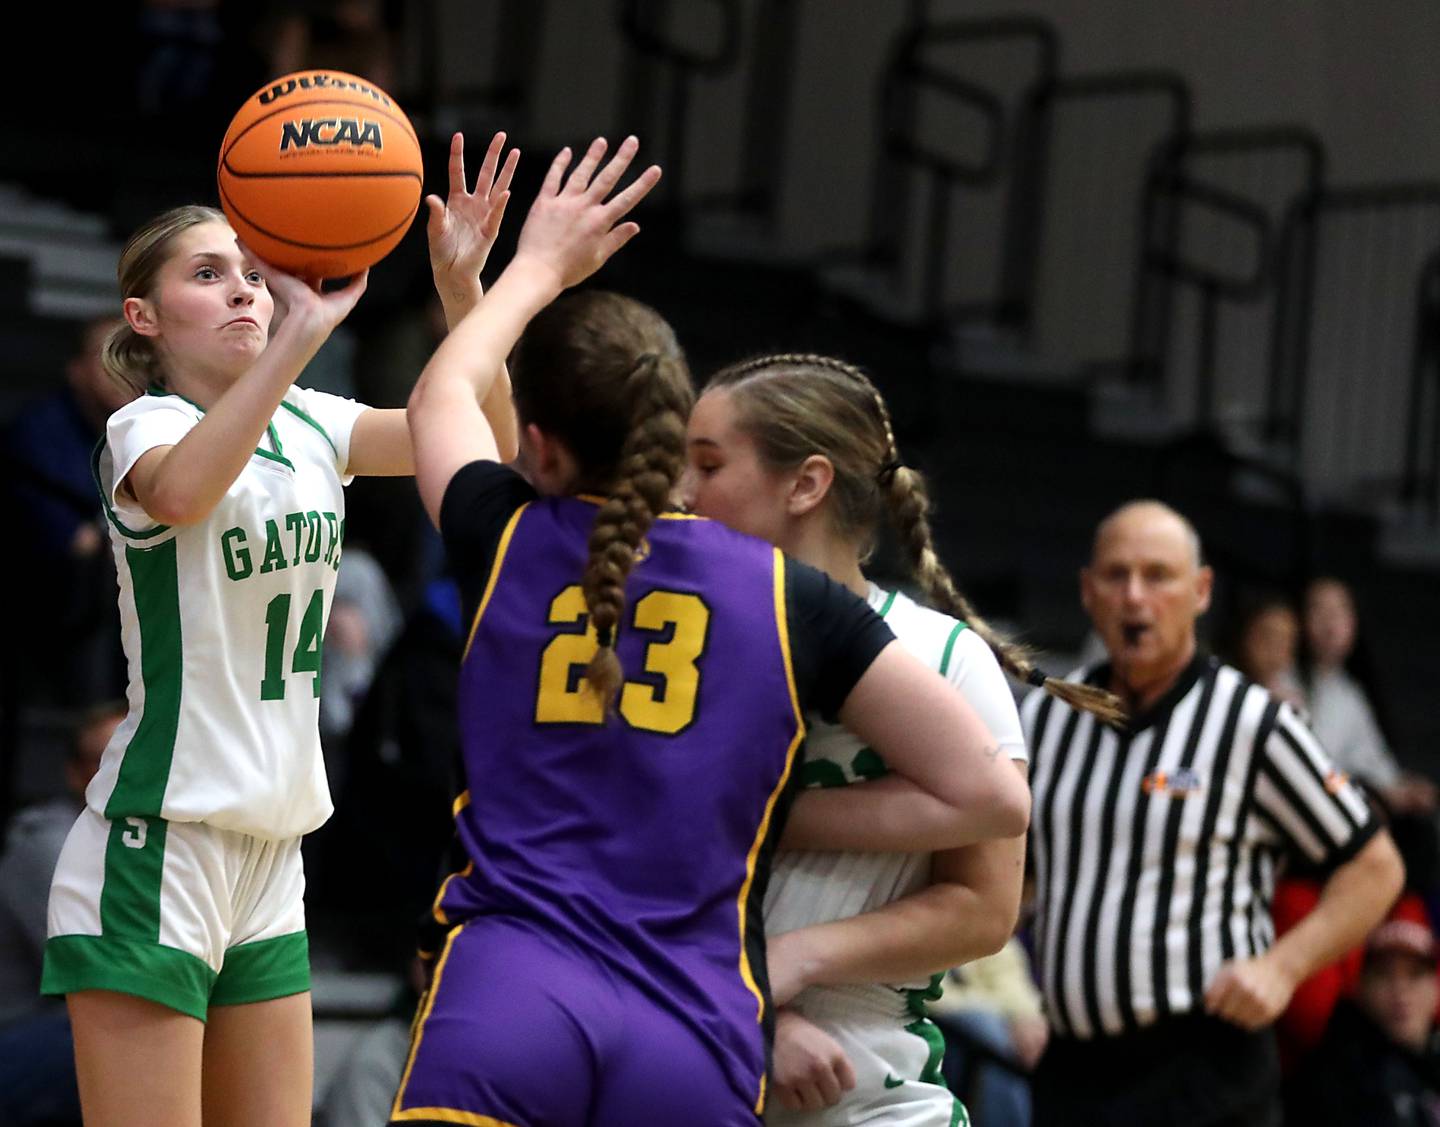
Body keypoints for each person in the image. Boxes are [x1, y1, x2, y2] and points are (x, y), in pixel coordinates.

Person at [392, 135, 1029, 1127]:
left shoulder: (514, 536)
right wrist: (753, 802)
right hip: (693, 1016)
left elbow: (442, 397)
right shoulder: (787, 597)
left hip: (517, 980)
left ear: (542, 450)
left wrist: (527, 274)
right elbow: (992, 791)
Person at [39, 132, 520, 1127]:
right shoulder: (145, 428)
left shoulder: (314, 423)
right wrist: (304, 330)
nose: (247, 292)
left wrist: (465, 292)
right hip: (160, 843)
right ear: (144, 315)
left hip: (274, 849)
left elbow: (496, 453)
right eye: (209, 275)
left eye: (255, 275)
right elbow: (182, 492)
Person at [681, 352, 1118, 1124]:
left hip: (869, 1076)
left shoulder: (946, 658)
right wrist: (747, 999)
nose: (682, 491)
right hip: (680, 1042)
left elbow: (985, 909)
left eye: (708, 464)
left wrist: (798, 957)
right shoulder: (674, 639)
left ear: (806, 484)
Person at [1023, 499, 1404, 1127]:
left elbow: (1376, 865)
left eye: (1158, 575)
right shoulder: (1048, 717)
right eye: (1116, 576)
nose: (1135, 597)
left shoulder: (1252, 722)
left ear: (1200, 592)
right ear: (1088, 593)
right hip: (1074, 1072)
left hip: (1203, 1069)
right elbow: (1021, 878)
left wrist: (1283, 967)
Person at [0, 702, 121, 1127]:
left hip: (72, 1025)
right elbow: (94, 971)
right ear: (74, 772)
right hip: (23, 1032)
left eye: (133, 757)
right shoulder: (49, 843)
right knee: (134, 1037)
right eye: (105, 760)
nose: (121, 772)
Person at [1287, 898, 1440, 1126]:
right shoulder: (1337, 1075)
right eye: (1384, 974)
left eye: (1415, 975)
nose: (1400, 991)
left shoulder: (1431, 1061)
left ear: (1435, 986)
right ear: (1360, 986)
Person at [1301, 576, 1437, 818]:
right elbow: (1314, 767)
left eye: (1339, 611)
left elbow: (1373, 761)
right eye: (1319, 610)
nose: (1329, 623)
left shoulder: (1350, 691)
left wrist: (1399, 788)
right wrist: (1365, 792)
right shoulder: (1284, 681)